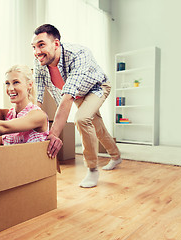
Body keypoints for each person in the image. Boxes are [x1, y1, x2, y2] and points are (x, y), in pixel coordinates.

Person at [31, 24, 121, 188]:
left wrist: (53, 135)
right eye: (34, 47)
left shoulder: (79, 54)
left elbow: (68, 97)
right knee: (97, 127)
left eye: (41, 45)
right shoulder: (40, 60)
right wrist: (32, 117)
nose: (37, 52)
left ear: (56, 43)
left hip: (97, 87)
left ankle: (92, 169)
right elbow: (39, 91)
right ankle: (116, 156)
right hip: (79, 93)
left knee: (81, 119)